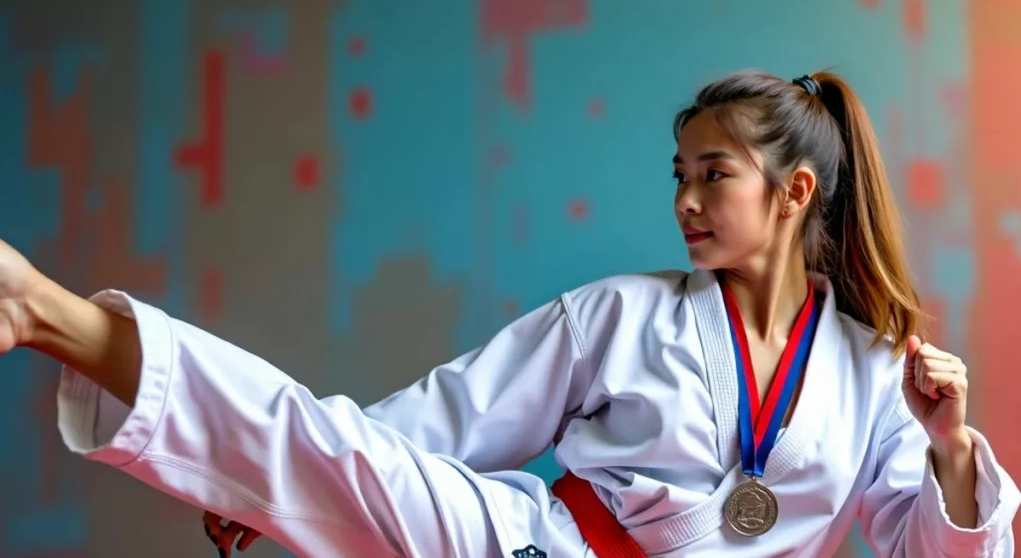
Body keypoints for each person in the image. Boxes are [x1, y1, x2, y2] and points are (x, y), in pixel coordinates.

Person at [0, 70, 1017, 558]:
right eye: (679, 175)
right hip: (543, 547)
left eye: (715, 175)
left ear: (793, 193)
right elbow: (452, 413)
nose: (685, 201)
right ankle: (43, 310)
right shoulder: (619, 313)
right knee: (337, 451)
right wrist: (269, 489)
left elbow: (929, 553)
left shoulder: (876, 368)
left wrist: (952, 449)